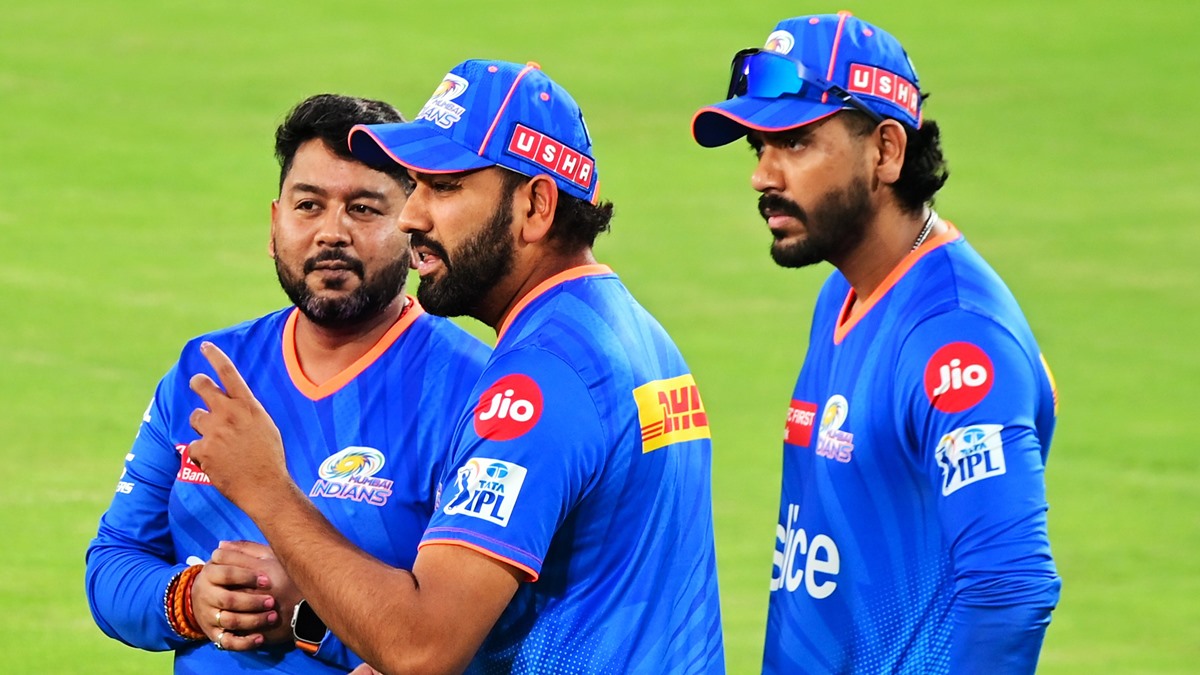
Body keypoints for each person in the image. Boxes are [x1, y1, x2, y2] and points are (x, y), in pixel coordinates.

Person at [184, 59, 725, 674]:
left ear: (536, 205)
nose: (411, 216)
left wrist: (268, 490)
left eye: (445, 187)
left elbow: (423, 648)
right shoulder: (630, 332)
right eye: (415, 185)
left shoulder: (539, 379)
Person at [691, 11, 1060, 674]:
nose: (763, 176)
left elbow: (1010, 589)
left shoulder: (956, 340)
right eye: (758, 147)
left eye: (795, 143)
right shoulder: (845, 292)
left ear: (886, 150)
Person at [84, 93, 492, 673]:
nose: (332, 233)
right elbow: (114, 562)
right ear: (274, 225)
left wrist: (305, 616)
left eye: (363, 209)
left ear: (411, 229)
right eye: (308, 206)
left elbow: (478, 639)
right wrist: (191, 600)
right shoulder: (208, 370)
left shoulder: (475, 394)